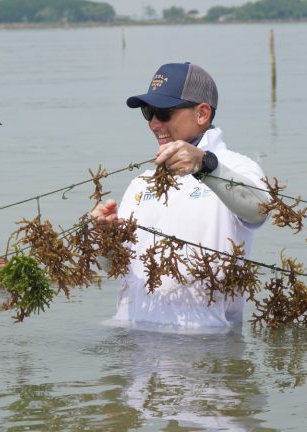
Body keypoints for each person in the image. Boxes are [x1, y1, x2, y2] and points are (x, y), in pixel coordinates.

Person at [91, 62, 270, 329]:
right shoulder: (141, 183)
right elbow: (109, 267)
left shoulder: (236, 167)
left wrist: (207, 167)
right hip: (131, 337)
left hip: (204, 340)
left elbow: (260, 209)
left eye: (163, 112)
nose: (153, 123)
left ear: (202, 113)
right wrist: (105, 237)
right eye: (147, 112)